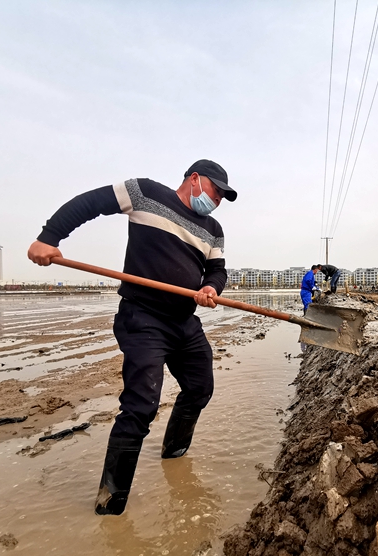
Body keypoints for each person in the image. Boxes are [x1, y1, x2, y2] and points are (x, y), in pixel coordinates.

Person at [27, 159, 237, 516]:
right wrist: (49, 238)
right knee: (141, 406)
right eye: (215, 192)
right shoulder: (145, 193)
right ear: (194, 179)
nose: (216, 200)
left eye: (221, 197)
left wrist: (210, 287)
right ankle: (111, 502)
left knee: (200, 388)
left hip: (184, 322)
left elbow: (217, 270)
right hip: (143, 318)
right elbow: (90, 203)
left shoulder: (213, 230)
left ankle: (174, 452)